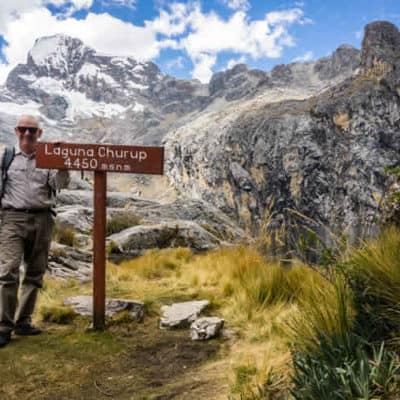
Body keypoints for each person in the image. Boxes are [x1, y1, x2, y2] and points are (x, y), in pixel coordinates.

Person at [0, 115, 70, 348]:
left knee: (35, 273)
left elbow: (60, 185)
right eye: (23, 129)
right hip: (12, 218)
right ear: (17, 131)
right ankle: (3, 326)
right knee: (8, 271)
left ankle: (23, 321)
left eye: (32, 130)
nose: (27, 134)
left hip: (43, 219)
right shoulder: (6, 157)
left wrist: (61, 162)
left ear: (39, 134)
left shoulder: (48, 158)